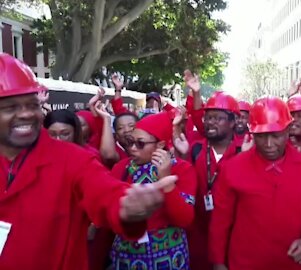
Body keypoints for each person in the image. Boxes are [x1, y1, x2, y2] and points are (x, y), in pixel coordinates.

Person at [0, 53, 179, 270]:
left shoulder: (73, 159)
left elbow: (107, 193)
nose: (27, 114)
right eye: (10, 107)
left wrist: (127, 204)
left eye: (32, 104)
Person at [209, 96, 301, 270]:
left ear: (288, 130)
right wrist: (218, 263)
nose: (269, 144)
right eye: (262, 136)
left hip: (293, 264)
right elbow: (220, 221)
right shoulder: (233, 168)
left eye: (276, 135)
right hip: (245, 264)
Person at [110, 112, 197, 270]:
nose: (132, 148)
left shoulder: (182, 169)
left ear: (160, 145)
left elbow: (184, 219)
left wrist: (166, 182)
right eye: (130, 142)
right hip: (127, 256)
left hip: (169, 257)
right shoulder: (121, 168)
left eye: (140, 143)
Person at [183, 71, 243, 270]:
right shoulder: (195, 149)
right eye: (208, 118)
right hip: (197, 236)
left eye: (218, 118)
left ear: (233, 122)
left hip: (233, 237)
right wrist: (196, 94)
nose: (210, 122)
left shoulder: (245, 151)